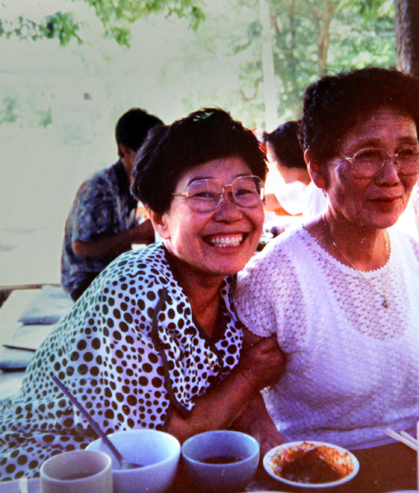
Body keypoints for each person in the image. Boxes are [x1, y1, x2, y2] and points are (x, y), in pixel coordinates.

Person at [0, 108, 284, 482]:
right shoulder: (133, 292)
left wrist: (276, 448)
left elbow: (235, 397)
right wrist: (249, 375)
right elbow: (154, 448)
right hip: (55, 464)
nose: (230, 213)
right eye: (203, 193)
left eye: (244, 191)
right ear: (159, 220)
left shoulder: (234, 283)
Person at [234, 68, 419, 450]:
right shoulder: (274, 276)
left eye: (407, 153)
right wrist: (274, 447)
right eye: (368, 155)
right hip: (322, 468)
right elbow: (245, 395)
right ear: (317, 169)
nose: (392, 176)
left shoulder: (413, 254)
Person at [61, 108, 163, 301]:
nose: (156, 159)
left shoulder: (133, 184)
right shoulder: (97, 186)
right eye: (148, 151)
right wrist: (136, 235)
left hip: (114, 274)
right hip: (85, 282)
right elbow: (80, 247)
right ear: (126, 150)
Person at [264, 121, 326, 219]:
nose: (274, 168)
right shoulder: (309, 186)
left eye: (273, 161)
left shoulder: (316, 190)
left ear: (287, 159)